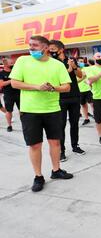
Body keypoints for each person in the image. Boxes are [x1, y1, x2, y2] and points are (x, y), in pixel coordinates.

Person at [10, 35, 74, 192]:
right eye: (30, 44)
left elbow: (66, 87)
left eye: (35, 45)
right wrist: (37, 87)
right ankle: (38, 176)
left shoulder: (57, 65)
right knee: (35, 145)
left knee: (55, 143)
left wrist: (52, 87)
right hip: (30, 111)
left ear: (46, 48)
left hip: (52, 109)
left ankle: (56, 170)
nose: (31, 47)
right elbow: (14, 83)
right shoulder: (23, 61)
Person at [48, 40, 85, 161]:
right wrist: (67, 71)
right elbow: (53, 80)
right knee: (61, 125)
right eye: (50, 49)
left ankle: (75, 146)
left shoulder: (71, 60)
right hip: (60, 98)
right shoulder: (51, 63)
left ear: (61, 49)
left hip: (75, 96)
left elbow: (80, 75)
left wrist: (74, 67)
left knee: (74, 124)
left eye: (53, 49)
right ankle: (61, 151)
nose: (50, 51)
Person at [0, 57, 19, 132]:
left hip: (19, 93)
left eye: (13, 63)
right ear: (5, 64)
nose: (13, 64)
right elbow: (1, 84)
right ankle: (9, 125)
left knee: (22, 110)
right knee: (9, 111)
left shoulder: (15, 71)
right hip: (8, 95)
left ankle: (25, 123)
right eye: (11, 63)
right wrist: (12, 81)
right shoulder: (1, 73)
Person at [77, 57, 94, 125]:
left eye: (82, 61)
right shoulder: (76, 70)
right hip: (80, 90)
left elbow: (91, 77)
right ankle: (86, 118)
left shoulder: (87, 69)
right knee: (83, 105)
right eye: (80, 61)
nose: (81, 63)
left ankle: (96, 116)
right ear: (77, 62)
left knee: (92, 104)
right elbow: (76, 81)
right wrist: (83, 77)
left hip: (88, 89)